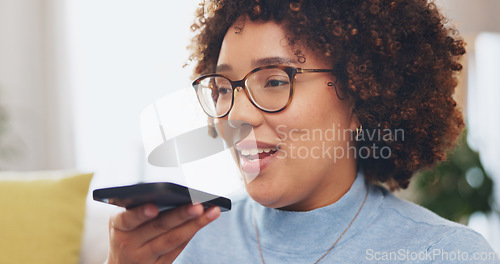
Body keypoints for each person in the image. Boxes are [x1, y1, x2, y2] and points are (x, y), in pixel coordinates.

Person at [107, 0, 499, 263]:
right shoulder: (187, 243)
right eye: (224, 88)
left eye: (275, 81)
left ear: (362, 93)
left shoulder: (443, 254)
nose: (237, 115)